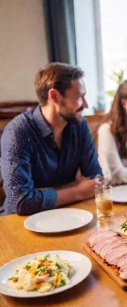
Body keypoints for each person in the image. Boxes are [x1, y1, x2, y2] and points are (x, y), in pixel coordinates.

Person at [0, 63, 102, 216]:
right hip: (19, 225)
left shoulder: (79, 125)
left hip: (66, 216)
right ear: (54, 96)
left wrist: (40, 194)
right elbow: (20, 202)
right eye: (79, 97)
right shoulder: (17, 132)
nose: (86, 105)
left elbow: (96, 181)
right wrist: (77, 191)